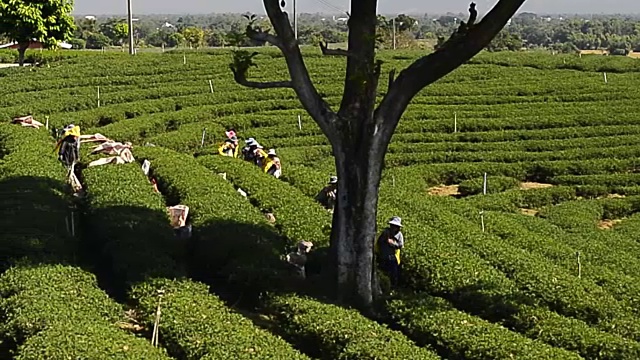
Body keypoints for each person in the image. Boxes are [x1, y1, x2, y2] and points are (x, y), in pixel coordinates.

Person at [375, 216, 404, 287]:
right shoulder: (385, 232)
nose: (393, 228)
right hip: (383, 257)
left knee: (393, 274)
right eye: (392, 226)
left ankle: (393, 288)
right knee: (383, 272)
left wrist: (392, 243)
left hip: (393, 258)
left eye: (395, 226)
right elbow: (379, 242)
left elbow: (400, 245)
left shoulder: (399, 235)